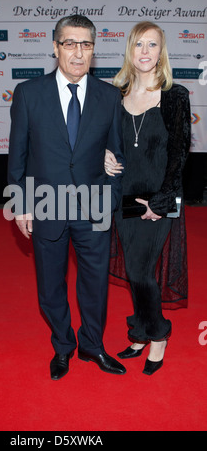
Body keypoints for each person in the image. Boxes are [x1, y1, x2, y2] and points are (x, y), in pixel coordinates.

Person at [8, 15, 126, 380]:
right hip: (46, 203)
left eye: (86, 44)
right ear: (55, 47)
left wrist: (114, 175)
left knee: (94, 284)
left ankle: (92, 345)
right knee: (50, 284)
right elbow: (18, 154)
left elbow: (118, 153)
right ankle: (63, 346)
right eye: (70, 43)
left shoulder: (109, 96)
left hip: (94, 205)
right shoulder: (29, 93)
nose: (78, 52)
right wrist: (20, 203)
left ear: (94, 49)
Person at [104, 21, 191, 375]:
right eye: (139, 44)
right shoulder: (116, 92)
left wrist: (161, 201)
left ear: (161, 51)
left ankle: (158, 335)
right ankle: (139, 332)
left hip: (162, 196)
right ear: (130, 49)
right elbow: (104, 139)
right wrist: (104, 155)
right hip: (125, 194)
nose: (144, 52)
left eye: (152, 45)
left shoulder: (175, 95)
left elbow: (180, 154)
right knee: (137, 270)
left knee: (142, 268)